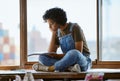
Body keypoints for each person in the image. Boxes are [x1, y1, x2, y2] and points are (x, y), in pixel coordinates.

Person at [32, 7, 92, 72]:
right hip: (68, 62)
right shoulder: (57, 32)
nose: (49, 27)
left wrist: (57, 56)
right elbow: (51, 53)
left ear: (58, 21)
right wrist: (53, 33)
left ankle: (51, 68)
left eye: (51, 24)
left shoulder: (75, 27)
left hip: (82, 61)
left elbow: (78, 52)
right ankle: (70, 68)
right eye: (48, 24)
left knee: (73, 53)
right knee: (42, 57)